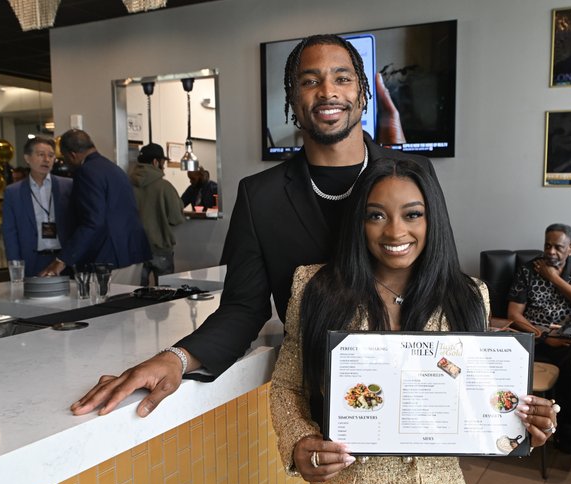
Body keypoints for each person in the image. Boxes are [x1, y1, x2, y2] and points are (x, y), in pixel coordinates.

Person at [70, 34, 444, 418]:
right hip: (320, 397)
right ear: (293, 102)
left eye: (342, 78)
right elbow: (243, 309)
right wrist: (175, 358)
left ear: (362, 94)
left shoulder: (414, 175)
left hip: (416, 386)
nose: (328, 91)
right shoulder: (260, 196)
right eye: (310, 81)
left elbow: (438, 278)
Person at [270, 158, 557, 484]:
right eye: (376, 215)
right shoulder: (315, 287)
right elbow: (288, 385)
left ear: (432, 218)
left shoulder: (467, 295)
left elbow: (476, 395)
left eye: (412, 214)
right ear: (358, 222)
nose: (394, 231)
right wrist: (301, 443)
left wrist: (521, 428)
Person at [506, 223, 571, 453]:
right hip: (537, 336)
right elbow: (514, 314)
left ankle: (568, 424)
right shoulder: (528, 270)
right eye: (548, 245)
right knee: (569, 364)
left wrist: (553, 278)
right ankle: (563, 429)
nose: (551, 252)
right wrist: (545, 336)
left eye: (558, 247)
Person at [39, 129, 150, 278]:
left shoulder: (86, 172)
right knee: (126, 301)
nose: (66, 164)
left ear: (72, 155)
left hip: (108, 257)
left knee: (103, 301)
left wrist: (62, 259)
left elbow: (93, 222)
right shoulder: (114, 169)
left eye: (65, 158)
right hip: (132, 252)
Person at [2, 137, 74, 277]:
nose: (46, 159)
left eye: (51, 155)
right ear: (27, 158)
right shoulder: (13, 192)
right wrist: (16, 268)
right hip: (32, 260)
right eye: (41, 155)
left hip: (63, 260)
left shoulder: (68, 186)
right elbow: (10, 232)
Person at [130, 143, 185, 286]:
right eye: (163, 162)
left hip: (134, 249)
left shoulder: (126, 184)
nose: (164, 165)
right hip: (160, 248)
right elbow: (176, 218)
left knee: (134, 296)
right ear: (156, 162)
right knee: (166, 295)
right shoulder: (164, 187)